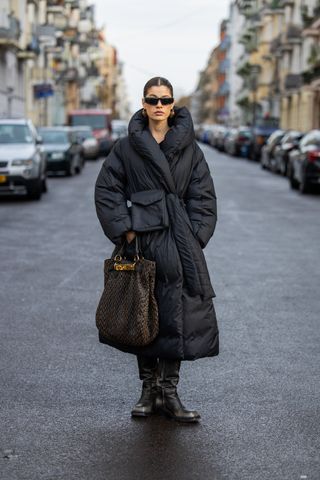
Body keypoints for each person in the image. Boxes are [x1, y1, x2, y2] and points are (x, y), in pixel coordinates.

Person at [95, 76, 219, 423]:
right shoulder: (126, 147)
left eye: (165, 100)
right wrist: (127, 230)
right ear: (144, 103)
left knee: (175, 316)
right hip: (144, 242)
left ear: (173, 104)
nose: (159, 106)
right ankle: (148, 391)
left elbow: (203, 197)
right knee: (143, 312)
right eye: (152, 100)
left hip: (179, 244)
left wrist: (195, 236)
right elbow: (107, 189)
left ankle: (170, 392)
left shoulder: (190, 148)